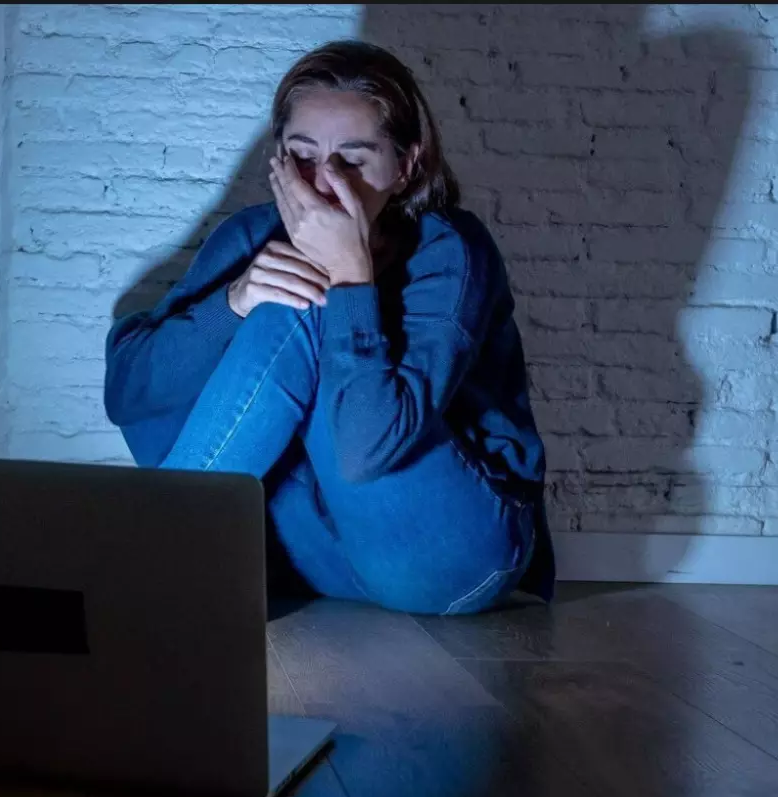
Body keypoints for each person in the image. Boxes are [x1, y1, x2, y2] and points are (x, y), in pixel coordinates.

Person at [103, 40, 555, 615]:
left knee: (300, 301)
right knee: (210, 330)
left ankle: (139, 561)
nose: (323, 185)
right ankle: (159, 554)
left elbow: (366, 452)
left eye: (353, 160)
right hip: (310, 553)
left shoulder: (450, 250)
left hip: (444, 552)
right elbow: (128, 398)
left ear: (405, 166)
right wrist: (235, 301)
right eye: (303, 155)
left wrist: (350, 279)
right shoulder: (252, 234)